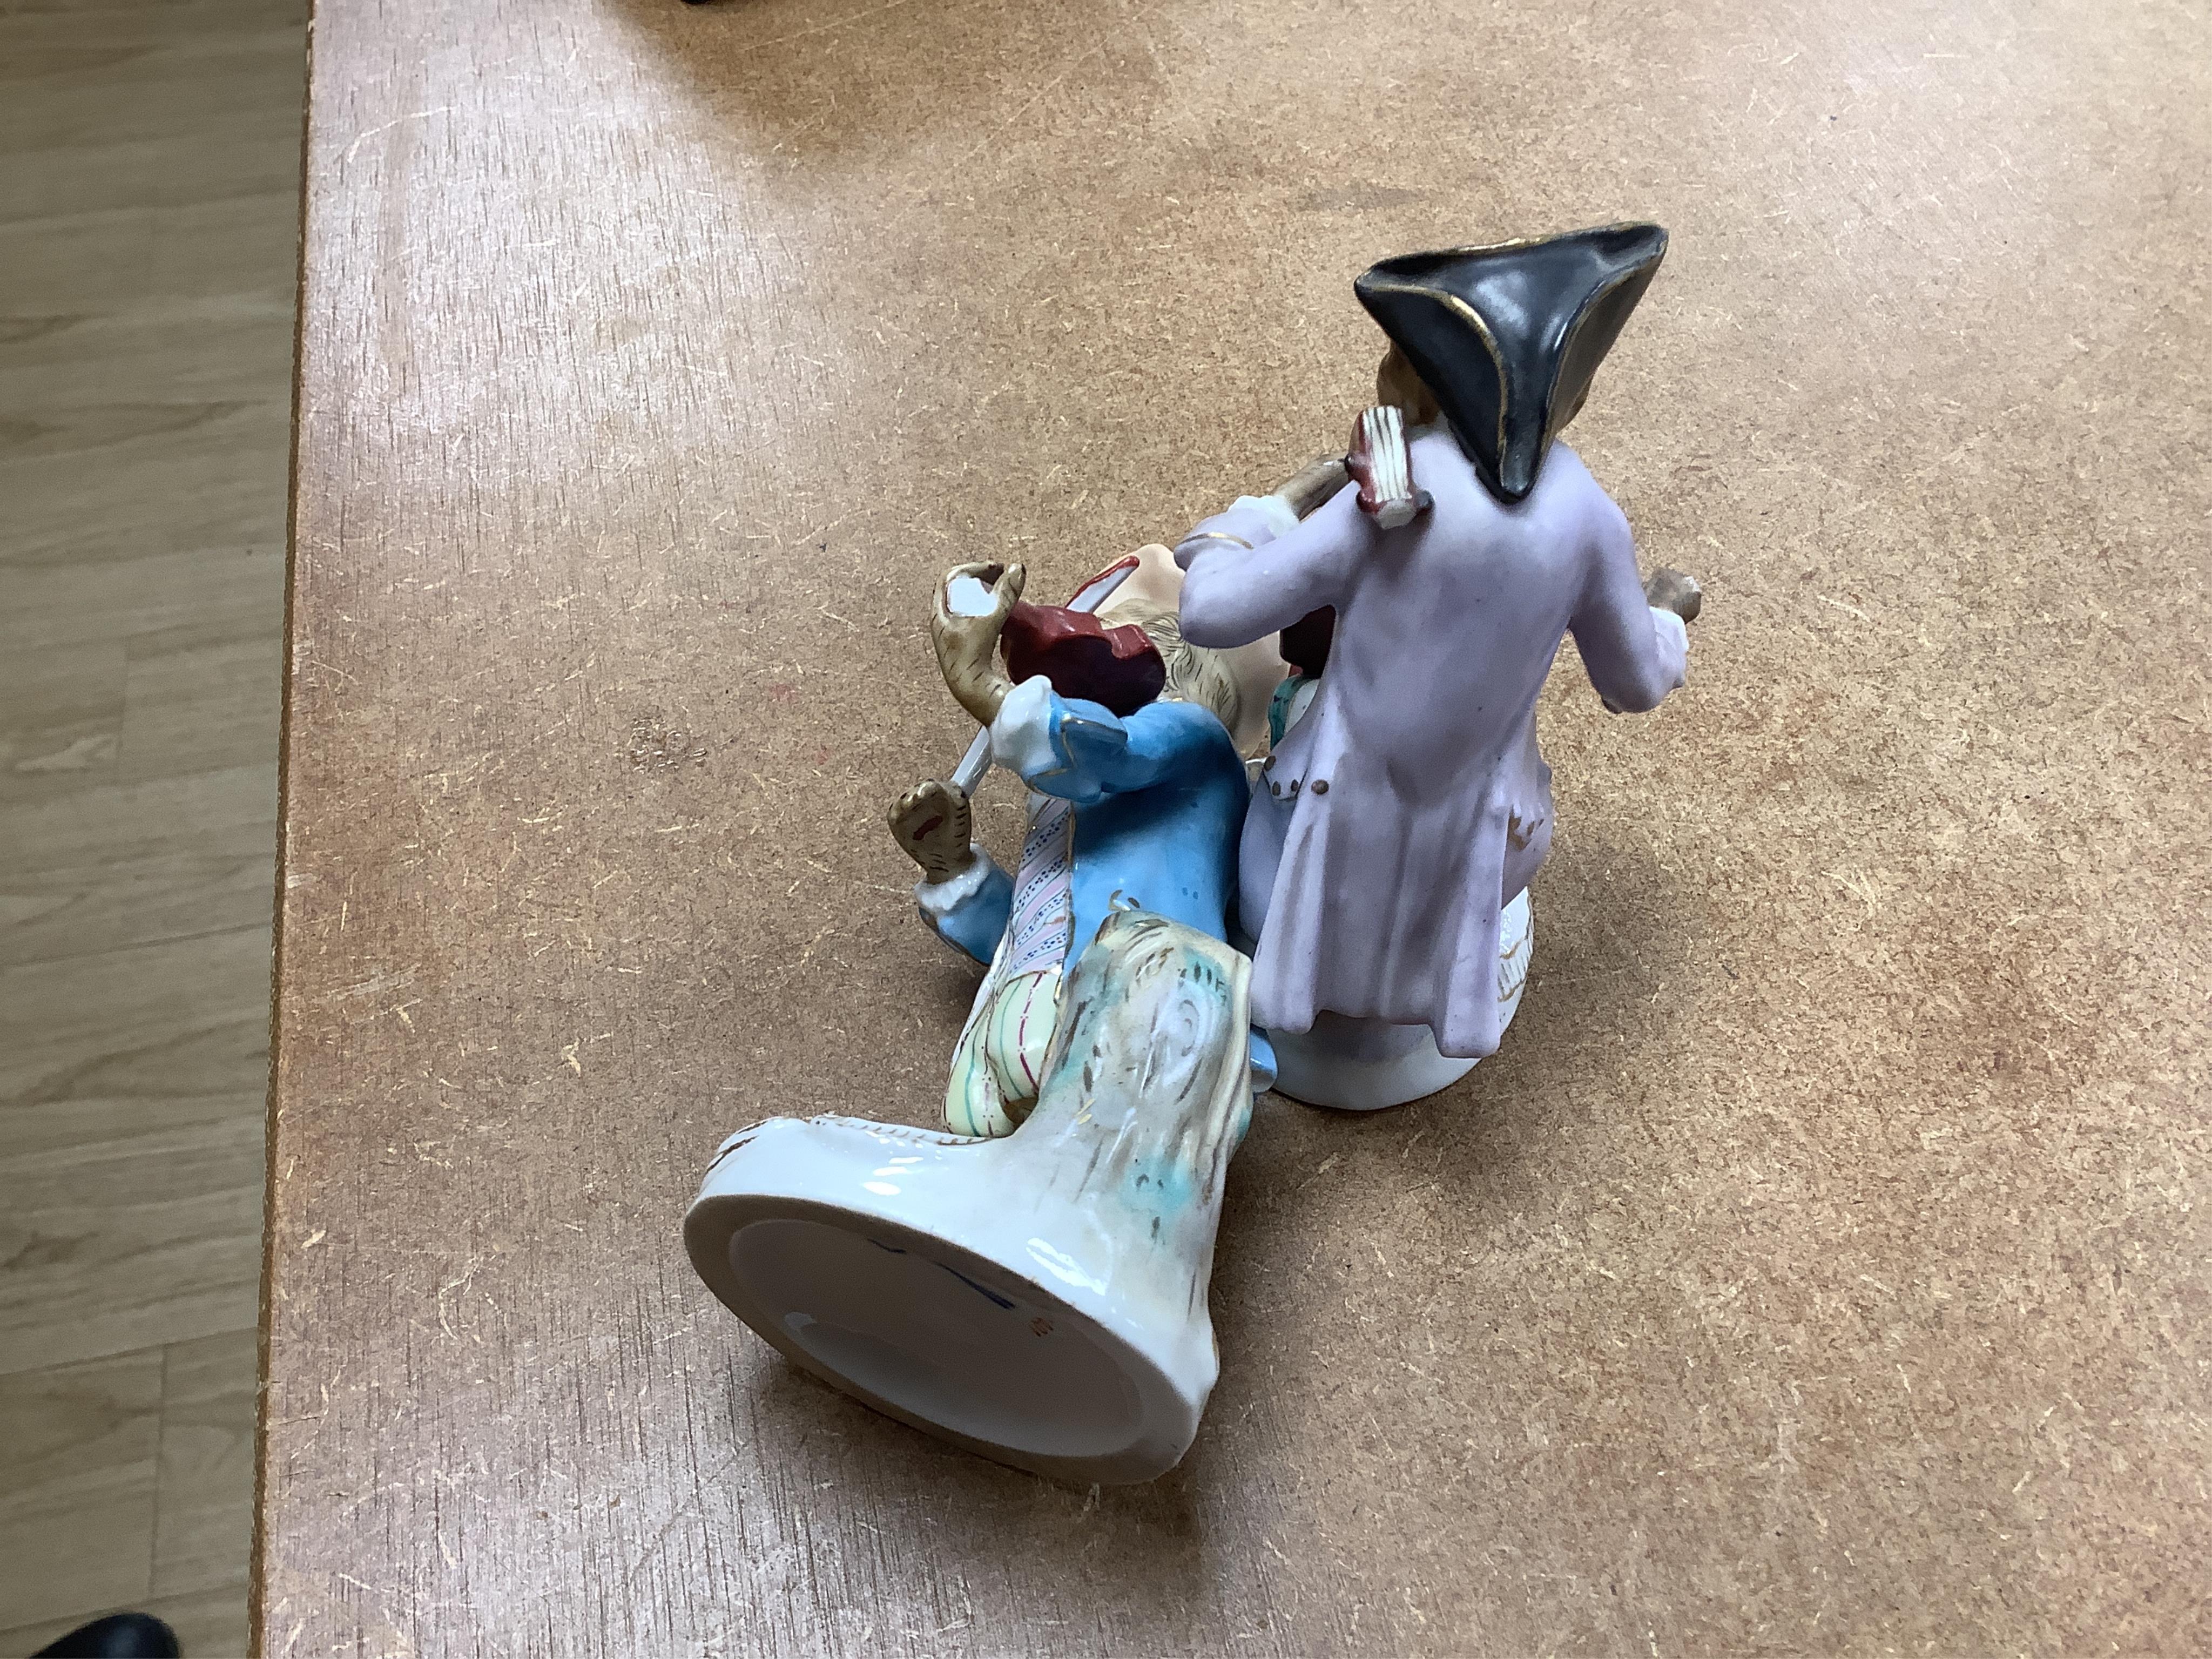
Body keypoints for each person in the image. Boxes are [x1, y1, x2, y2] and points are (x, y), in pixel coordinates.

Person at [1175, 224, 1701, 1104]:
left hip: (1321, 828)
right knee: (1467, 861)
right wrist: (1664, 623)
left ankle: (1308, 1001)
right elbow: (1636, 680)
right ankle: (1405, 1016)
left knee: (1282, 834)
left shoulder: (1385, 499)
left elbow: (1212, 612)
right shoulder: (1586, 517)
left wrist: (1243, 529)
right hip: (1481, 844)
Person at [888, 544, 1282, 1136]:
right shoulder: (1060, 807)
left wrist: (980, 685)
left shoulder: (1195, 743)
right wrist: (956, 871)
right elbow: (1034, 932)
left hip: (1134, 1023)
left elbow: (1111, 749)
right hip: (1021, 1030)